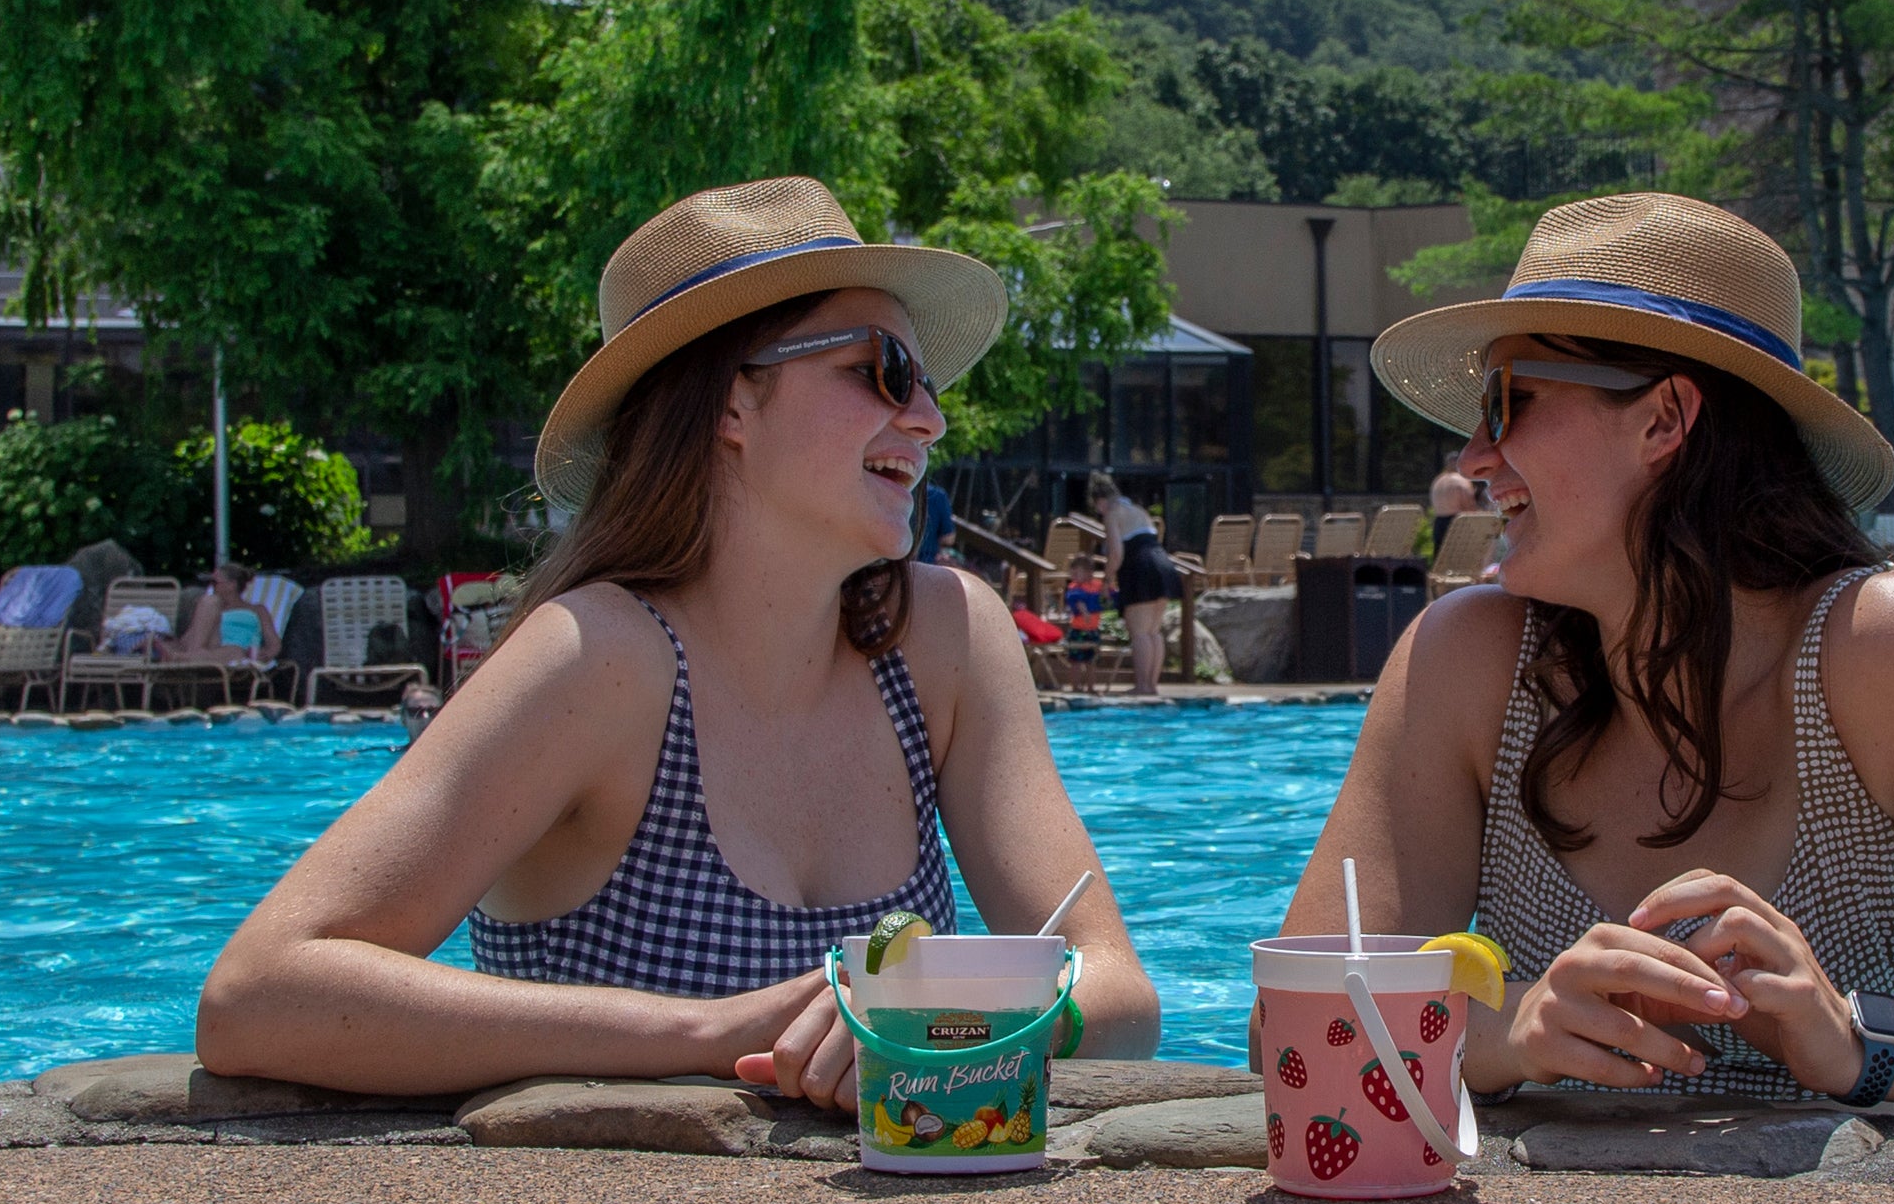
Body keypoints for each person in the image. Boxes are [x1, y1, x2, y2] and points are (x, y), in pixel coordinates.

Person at [1277, 192, 1894, 1111]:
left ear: (1664, 419)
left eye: (1509, 403)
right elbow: (1287, 1026)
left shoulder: (1881, 652)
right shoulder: (1469, 667)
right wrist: (1505, 1036)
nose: (1471, 458)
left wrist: (1864, 1039)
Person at [201, 176, 1161, 1101]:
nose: (930, 414)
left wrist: (984, 1008)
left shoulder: (945, 640)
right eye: (885, 369)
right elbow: (258, 994)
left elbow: (1120, 995)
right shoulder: (597, 661)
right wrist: (706, 1036)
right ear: (731, 404)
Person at [1085, 472, 1179, 697]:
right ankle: (1151, 686)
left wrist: (1107, 580)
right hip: (1162, 564)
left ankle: (1142, 686)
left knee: (1139, 633)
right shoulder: (1138, 510)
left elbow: (1116, 553)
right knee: (1153, 632)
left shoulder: (1112, 514)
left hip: (1141, 568)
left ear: (1100, 501)